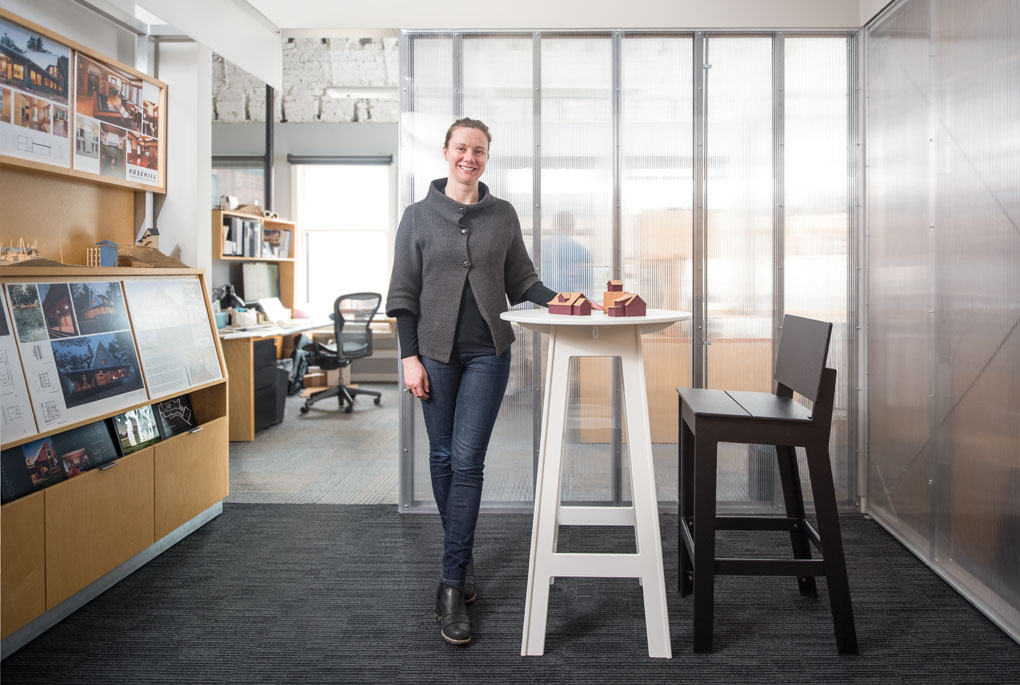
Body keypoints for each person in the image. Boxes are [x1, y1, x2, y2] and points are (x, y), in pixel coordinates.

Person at [386, 118, 599, 646]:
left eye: (478, 151)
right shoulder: (417, 217)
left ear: (486, 157)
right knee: (440, 458)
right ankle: (461, 551)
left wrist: (563, 301)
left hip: (488, 353)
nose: (469, 157)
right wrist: (408, 358)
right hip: (432, 356)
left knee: (467, 460)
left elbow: (521, 278)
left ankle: (452, 583)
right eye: (461, 148)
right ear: (445, 153)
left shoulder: (502, 214)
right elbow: (403, 294)